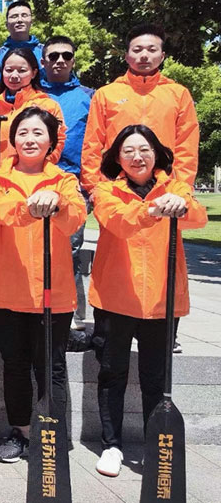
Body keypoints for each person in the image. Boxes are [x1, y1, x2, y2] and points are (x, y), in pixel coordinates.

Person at [87, 125, 207, 477]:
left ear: (157, 154)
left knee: (156, 376)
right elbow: (118, 222)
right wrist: (153, 210)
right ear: (117, 158)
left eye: (144, 150)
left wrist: (182, 205)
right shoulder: (106, 190)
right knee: (112, 373)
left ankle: (157, 443)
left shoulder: (176, 187)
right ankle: (112, 445)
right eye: (128, 151)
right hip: (115, 297)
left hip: (161, 298)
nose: (137, 157)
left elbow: (198, 218)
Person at [0, 106, 86, 463]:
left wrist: (58, 203)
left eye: (38, 132)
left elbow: (75, 218)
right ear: (12, 139)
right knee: (15, 364)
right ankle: (21, 432)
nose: (29, 139)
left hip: (52, 292)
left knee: (51, 366)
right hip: (7, 290)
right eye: (23, 132)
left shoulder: (65, 181)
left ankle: (52, 432)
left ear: (51, 141)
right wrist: (31, 207)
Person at [81, 23, 199, 195]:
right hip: (115, 188)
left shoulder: (179, 94)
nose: (144, 55)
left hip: (166, 187)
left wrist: (182, 187)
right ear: (126, 56)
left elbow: (187, 145)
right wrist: (94, 186)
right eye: (137, 50)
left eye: (152, 50)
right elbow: (92, 144)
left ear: (162, 56)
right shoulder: (106, 94)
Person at [41, 35, 95, 331]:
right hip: (35, 181)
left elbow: (98, 142)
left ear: (74, 60)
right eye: (53, 56)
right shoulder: (32, 95)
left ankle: (73, 314)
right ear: (43, 61)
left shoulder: (89, 96)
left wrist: (90, 185)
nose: (60, 60)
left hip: (73, 183)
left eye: (66, 55)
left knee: (70, 249)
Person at [0, 47, 66, 169]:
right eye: (9, 70)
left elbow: (57, 143)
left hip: (35, 176)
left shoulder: (48, 106)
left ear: (34, 73)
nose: (14, 75)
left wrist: (36, 168)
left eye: (22, 70)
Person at [0, 1, 45, 81]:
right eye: (14, 16)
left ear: (32, 22)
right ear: (6, 24)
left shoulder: (45, 52)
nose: (19, 20)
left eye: (24, 15)